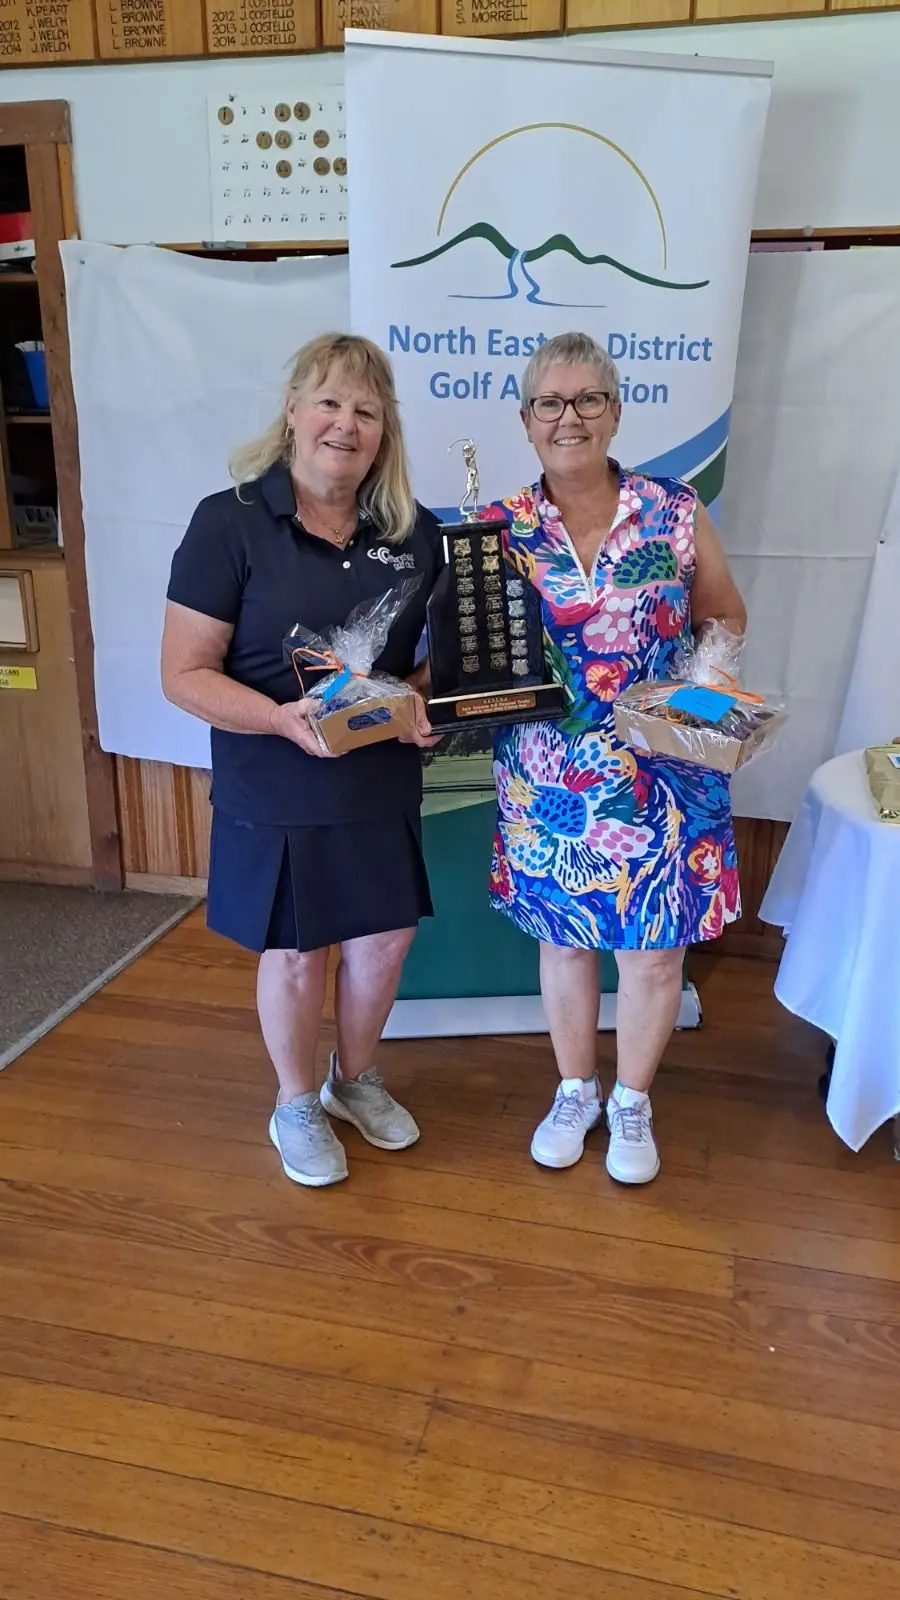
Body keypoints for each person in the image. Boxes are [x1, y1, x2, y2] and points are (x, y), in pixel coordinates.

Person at [161, 333, 441, 1189]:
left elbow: (429, 664)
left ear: (384, 431)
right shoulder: (231, 521)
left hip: (377, 775)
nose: (345, 425)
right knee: (294, 951)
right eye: (329, 403)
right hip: (274, 779)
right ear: (292, 413)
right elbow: (183, 675)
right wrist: (283, 721)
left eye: (365, 410)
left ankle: (353, 1081)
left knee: (383, 944)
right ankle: (293, 1100)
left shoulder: (414, 532)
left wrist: (421, 703)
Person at [488, 331, 747, 1185]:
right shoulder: (499, 529)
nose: (571, 417)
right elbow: (470, 655)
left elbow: (723, 615)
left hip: (666, 767)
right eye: (551, 404)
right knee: (565, 944)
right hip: (550, 780)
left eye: (589, 399)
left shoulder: (673, 509)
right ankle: (575, 1089)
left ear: (616, 410)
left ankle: (631, 1102)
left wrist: (709, 678)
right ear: (526, 421)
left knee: (655, 951)